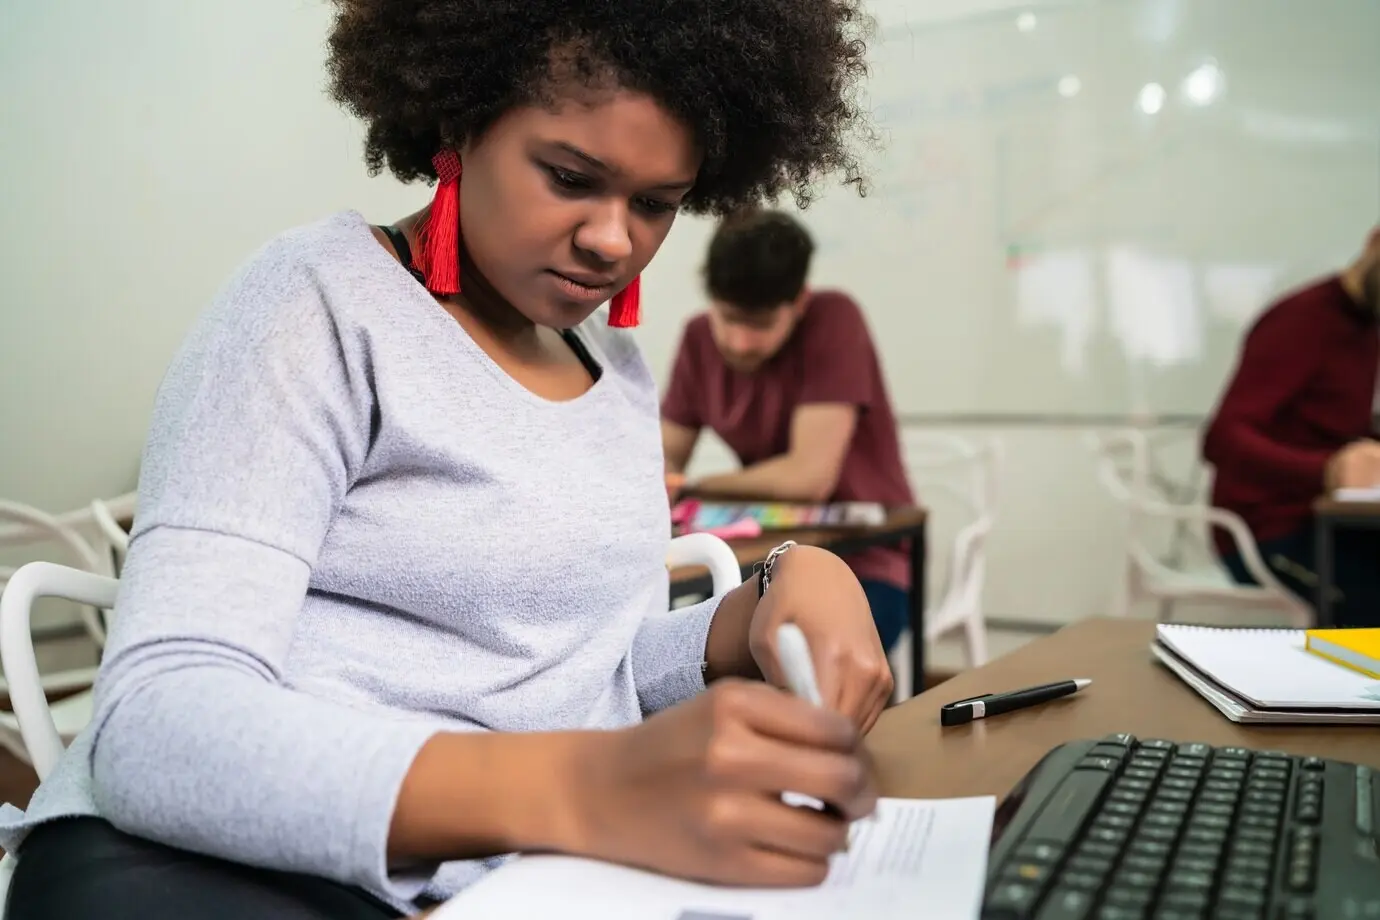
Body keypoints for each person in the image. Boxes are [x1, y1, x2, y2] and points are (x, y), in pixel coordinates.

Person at [0, 3, 890, 918]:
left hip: (489, 871)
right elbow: (156, 731)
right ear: (458, 122)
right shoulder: (317, 305)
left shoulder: (613, 368)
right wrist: (581, 788)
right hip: (225, 860)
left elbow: (578, 667)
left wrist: (767, 598)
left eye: (656, 205)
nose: (614, 240)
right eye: (571, 177)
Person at [660, 210, 916, 653]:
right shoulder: (698, 338)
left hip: (862, 562)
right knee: (672, 654)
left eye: (759, 325)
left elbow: (808, 479)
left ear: (799, 303)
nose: (739, 341)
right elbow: (660, 460)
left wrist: (694, 487)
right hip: (761, 563)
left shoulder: (835, 320)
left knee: (793, 672)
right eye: (728, 317)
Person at [1202, 226, 1380, 627]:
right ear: (1374, 242)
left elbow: (1332, 427)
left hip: (1328, 524)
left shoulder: (1367, 324)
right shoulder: (1303, 320)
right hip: (1270, 533)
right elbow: (1222, 439)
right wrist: (1327, 470)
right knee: (1369, 604)